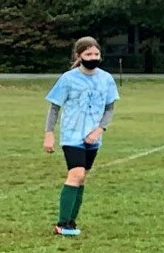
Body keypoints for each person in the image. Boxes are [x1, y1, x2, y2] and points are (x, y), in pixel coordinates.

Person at [43, 37, 120, 237]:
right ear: (79, 56)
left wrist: (99, 130)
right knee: (76, 174)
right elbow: (54, 108)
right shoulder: (68, 79)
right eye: (88, 54)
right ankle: (62, 224)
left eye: (96, 54)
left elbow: (109, 108)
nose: (93, 58)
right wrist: (49, 133)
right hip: (72, 136)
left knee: (82, 177)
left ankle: (71, 221)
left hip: (93, 139)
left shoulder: (106, 79)